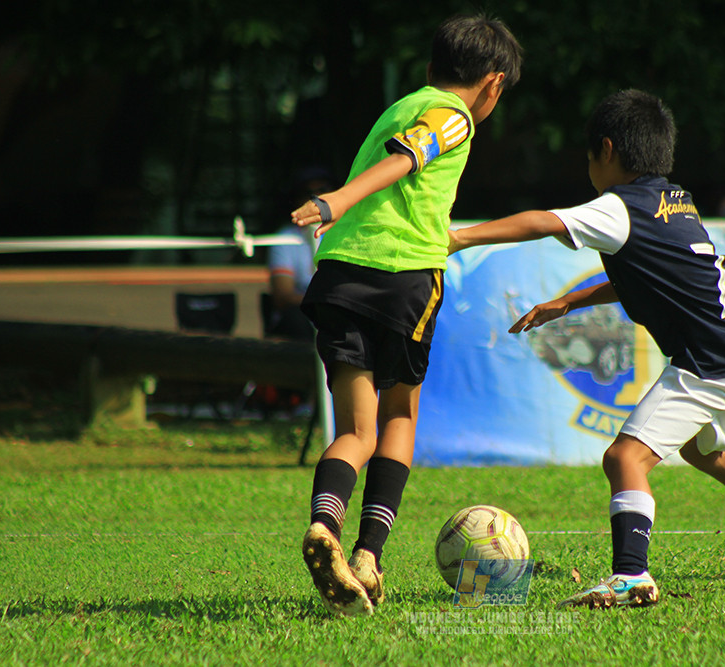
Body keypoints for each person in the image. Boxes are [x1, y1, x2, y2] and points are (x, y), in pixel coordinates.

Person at [449, 89, 725, 609]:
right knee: (703, 450)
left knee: (624, 456)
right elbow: (652, 275)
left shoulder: (617, 208)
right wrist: (568, 301)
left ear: (606, 150)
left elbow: (540, 221)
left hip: (708, 362)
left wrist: (457, 239)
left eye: (587, 157)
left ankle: (630, 575)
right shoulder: (675, 201)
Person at [289, 14, 523, 616]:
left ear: (429, 67)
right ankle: (368, 553)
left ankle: (325, 529)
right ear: (493, 85)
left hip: (340, 274)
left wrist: (341, 211)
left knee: (353, 431)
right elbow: (410, 159)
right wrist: (335, 199)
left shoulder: (404, 102)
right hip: (402, 281)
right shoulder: (454, 114)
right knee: (400, 414)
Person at [265, 167, 334, 342]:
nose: (317, 199)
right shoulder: (285, 239)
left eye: (323, 191)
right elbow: (283, 296)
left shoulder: (347, 231)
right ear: (297, 199)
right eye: (309, 194)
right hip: (304, 317)